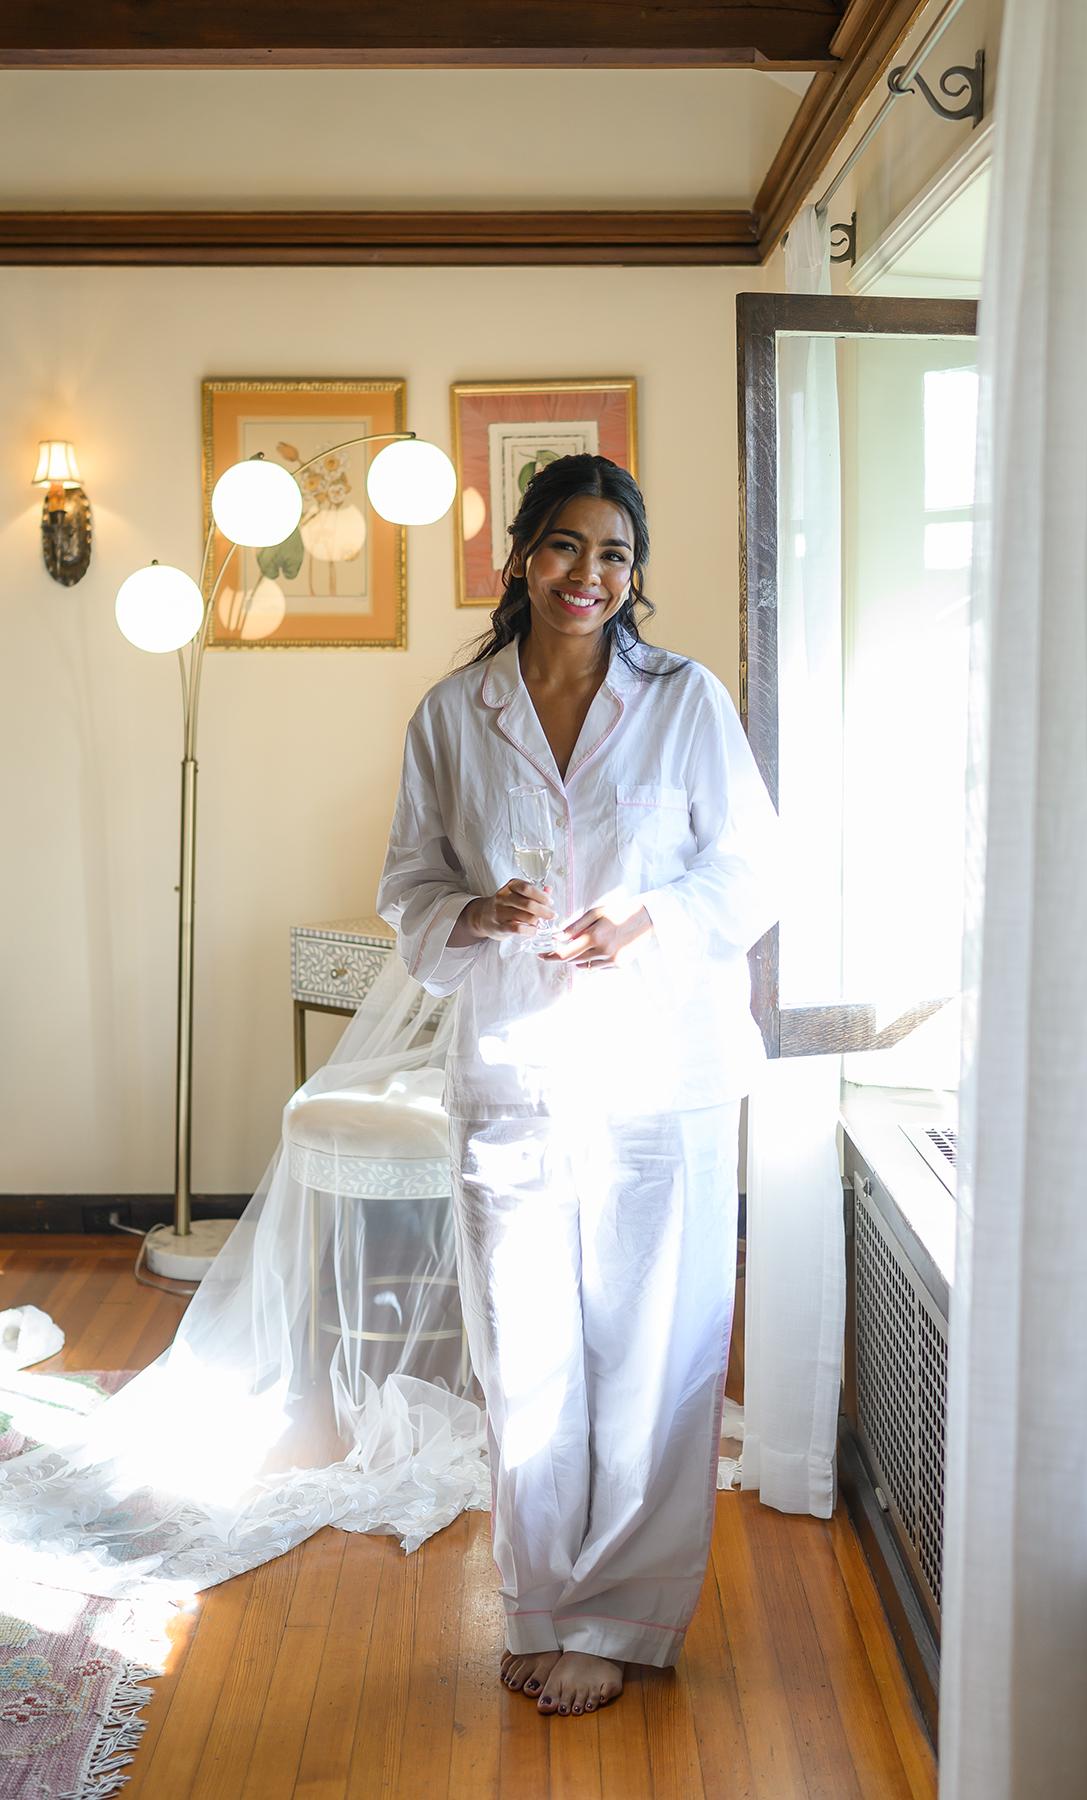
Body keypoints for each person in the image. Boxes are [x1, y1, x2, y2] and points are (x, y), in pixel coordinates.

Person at [377, 454, 780, 1718]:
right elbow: (407, 889)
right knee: (526, 1355)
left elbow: (752, 869)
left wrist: (649, 918)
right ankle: (543, 1601)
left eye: (613, 555)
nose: (587, 576)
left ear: (633, 574)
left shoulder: (686, 702)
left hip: (663, 1079)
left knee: (654, 1353)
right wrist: (479, 908)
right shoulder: (454, 717)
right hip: (511, 1071)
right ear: (519, 559)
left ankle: (618, 1622)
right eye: (563, 548)